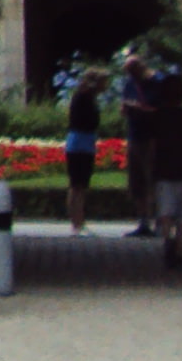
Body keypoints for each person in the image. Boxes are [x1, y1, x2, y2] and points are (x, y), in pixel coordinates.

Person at [135, 67, 182, 270]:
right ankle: (180, 247)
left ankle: (167, 239)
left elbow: (152, 146)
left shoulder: (157, 117)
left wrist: (148, 168)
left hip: (162, 169)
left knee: (165, 209)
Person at [60, 60, 107, 236]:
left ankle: (80, 220)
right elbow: (83, 121)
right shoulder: (83, 97)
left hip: (86, 142)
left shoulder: (89, 98)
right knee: (76, 184)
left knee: (82, 185)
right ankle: (75, 222)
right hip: (79, 142)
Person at [115, 49, 159, 237]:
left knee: (153, 180)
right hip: (134, 136)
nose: (131, 76)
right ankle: (143, 222)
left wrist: (140, 108)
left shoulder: (157, 83)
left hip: (152, 138)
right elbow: (124, 106)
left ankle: (158, 221)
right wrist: (126, 109)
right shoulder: (130, 84)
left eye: (133, 71)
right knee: (137, 182)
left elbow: (162, 111)